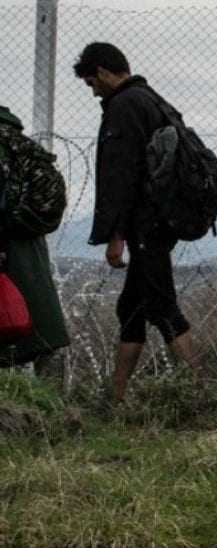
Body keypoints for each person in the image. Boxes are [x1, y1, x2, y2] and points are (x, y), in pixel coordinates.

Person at [73, 42, 198, 402]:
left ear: (103, 72)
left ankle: (197, 391)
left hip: (146, 223)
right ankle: (116, 396)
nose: (93, 90)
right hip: (162, 218)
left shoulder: (125, 106)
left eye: (91, 82)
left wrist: (117, 235)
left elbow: (121, 176)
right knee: (131, 307)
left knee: (161, 305)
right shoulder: (152, 99)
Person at [0, 105, 69, 372]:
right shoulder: (19, 142)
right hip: (29, 241)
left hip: (5, 242)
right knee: (41, 329)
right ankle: (50, 406)